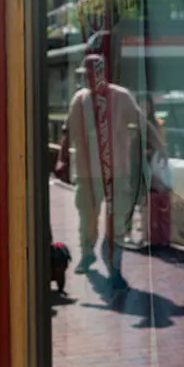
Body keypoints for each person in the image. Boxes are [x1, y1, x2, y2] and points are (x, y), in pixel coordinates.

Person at [60, 54, 165, 291]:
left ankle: (114, 267)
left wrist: (161, 147)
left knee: (118, 219)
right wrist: (62, 159)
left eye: (89, 74)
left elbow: (142, 122)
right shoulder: (80, 100)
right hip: (87, 171)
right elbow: (68, 130)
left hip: (116, 170)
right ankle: (88, 252)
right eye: (84, 76)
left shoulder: (121, 97)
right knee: (87, 214)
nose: (86, 80)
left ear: (100, 73)